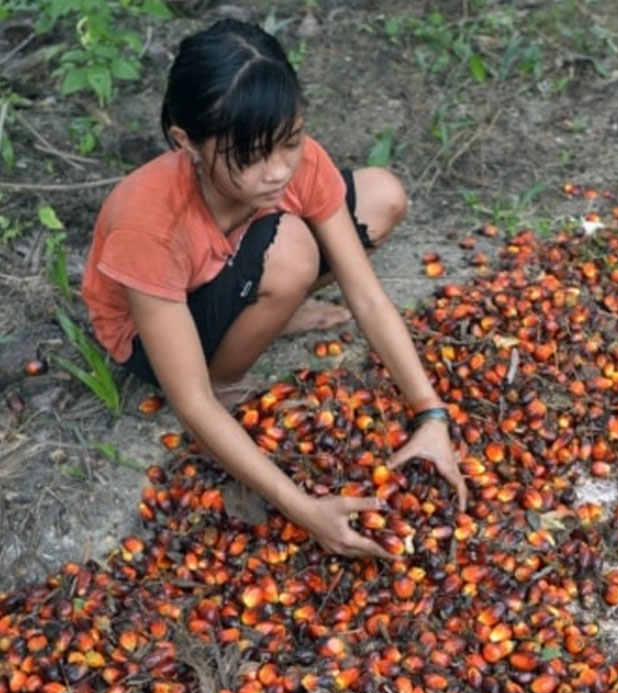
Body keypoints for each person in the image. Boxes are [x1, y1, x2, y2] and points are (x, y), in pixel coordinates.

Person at [82, 18, 467, 558]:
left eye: (289, 141)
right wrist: (302, 507)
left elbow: (366, 295)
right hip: (156, 336)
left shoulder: (292, 163)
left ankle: (270, 306)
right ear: (185, 142)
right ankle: (232, 375)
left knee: (381, 194)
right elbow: (188, 401)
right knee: (289, 252)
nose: (277, 171)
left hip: (238, 265)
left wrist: (430, 412)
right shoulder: (147, 222)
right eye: (250, 156)